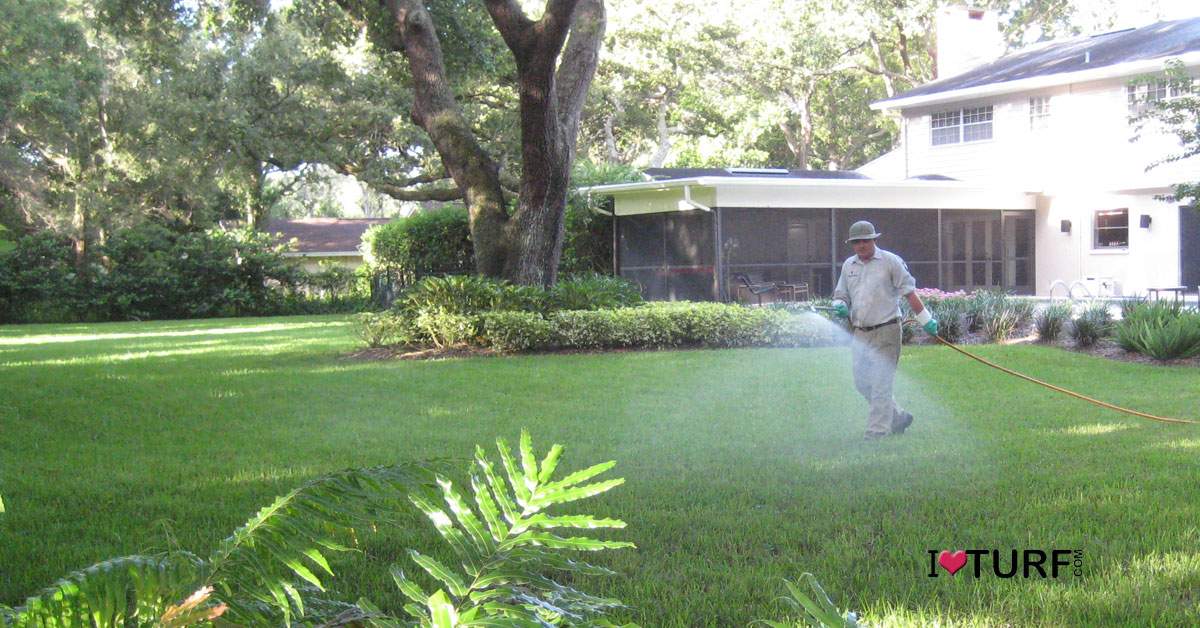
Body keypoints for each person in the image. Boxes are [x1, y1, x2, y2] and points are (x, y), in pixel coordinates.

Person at [831, 220, 938, 441]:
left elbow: (909, 293)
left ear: (874, 240)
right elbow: (841, 294)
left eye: (865, 241)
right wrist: (840, 304)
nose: (861, 245)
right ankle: (898, 417)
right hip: (860, 333)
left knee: (881, 383)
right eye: (856, 242)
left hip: (887, 331)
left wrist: (926, 320)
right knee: (862, 383)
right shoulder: (849, 265)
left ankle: (876, 433)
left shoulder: (891, 262)